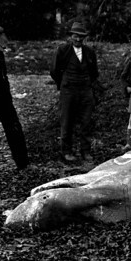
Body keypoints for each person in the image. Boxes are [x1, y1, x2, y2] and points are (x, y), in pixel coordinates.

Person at [49, 22, 101, 163]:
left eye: (81, 37)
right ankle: (66, 151)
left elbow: (94, 72)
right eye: (75, 36)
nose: (78, 39)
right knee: (67, 121)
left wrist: (87, 84)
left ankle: (85, 151)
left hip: (85, 90)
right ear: (71, 36)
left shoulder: (89, 52)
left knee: (86, 121)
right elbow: (54, 71)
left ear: (84, 38)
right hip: (68, 90)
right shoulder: (63, 50)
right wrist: (64, 84)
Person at [0, 24, 28, 171]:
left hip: (3, 98)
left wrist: (8, 95)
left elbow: (4, 77)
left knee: (14, 127)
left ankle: (22, 162)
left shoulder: (0, 54)